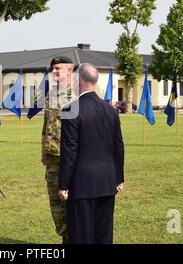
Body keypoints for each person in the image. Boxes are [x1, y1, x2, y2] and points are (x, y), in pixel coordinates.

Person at [58, 63, 125, 244]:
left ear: (78, 80)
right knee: (104, 235)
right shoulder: (111, 110)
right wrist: (119, 178)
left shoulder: (71, 110)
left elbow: (69, 150)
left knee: (81, 236)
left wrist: (63, 185)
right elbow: (118, 145)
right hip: (107, 182)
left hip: (82, 184)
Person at [41, 55, 75, 244]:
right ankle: (65, 236)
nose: (54, 71)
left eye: (58, 68)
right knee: (55, 201)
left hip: (70, 157)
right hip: (52, 156)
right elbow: (47, 125)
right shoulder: (51, 95)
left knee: (71, 199)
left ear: (69, 70)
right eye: (53, 68)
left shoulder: (78, 94)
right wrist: (44, 151)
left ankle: (74, 236)